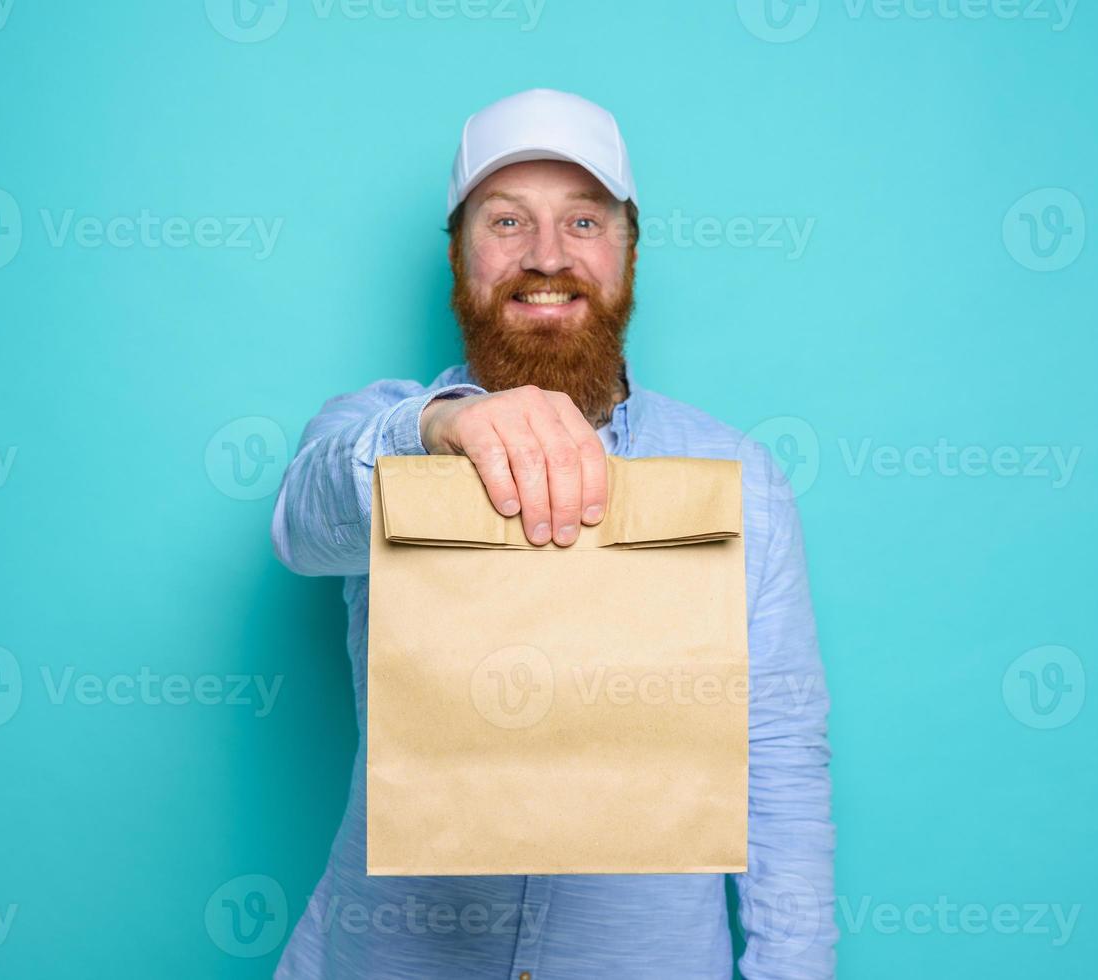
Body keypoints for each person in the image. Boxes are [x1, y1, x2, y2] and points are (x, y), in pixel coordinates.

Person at [271, 87, 837, 979]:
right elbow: (301, 527)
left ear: (628, 251)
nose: (545, 256)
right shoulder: (384, 429)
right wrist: (441, 425)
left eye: (582, 221)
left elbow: (780, 760)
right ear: (456, 255)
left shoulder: (739, 478)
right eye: (506, 221)